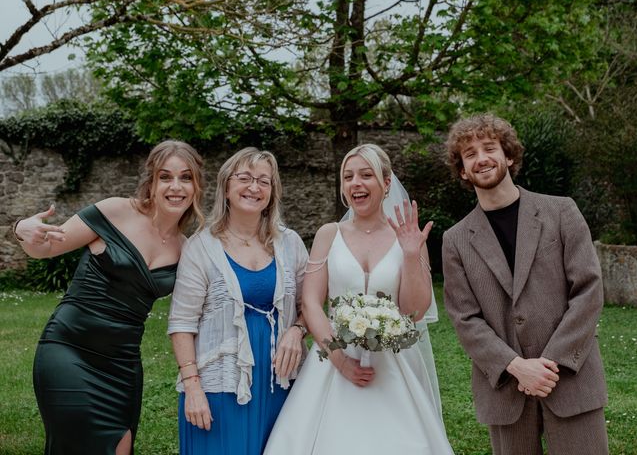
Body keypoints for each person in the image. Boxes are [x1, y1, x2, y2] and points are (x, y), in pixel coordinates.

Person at [13, 140, 205, 455]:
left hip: (122, 364)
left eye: (186, 178)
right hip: (69, 350)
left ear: (196, 186)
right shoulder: (115, 211)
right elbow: (45, 247)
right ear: (151, 182)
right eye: (165, 177)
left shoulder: (187, 248)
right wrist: (22, 229)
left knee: (119, 447)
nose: (176, 186)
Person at [264, 143, 454, 454]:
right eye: (348, 176)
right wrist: (339, 359)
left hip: (392, 364)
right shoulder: (329, 234)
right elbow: (311, 303)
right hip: (333, 359)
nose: (356, 183)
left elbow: (414, 311)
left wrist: (410, 255)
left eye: (366, 175)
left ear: (387, 183)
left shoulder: (408, 237)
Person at [442, 113, 608, 454]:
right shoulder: (456, 239)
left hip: (571, 380)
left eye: (489, 148)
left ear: (509, 156)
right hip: (505, 389)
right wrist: (516, 367)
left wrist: (549, 365)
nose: (481, 158)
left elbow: (588, 291)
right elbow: (465, 318)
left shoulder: (562, 212)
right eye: (469, 153)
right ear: (462, 170)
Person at [167, 147, 308, 455]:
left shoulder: (291, 243)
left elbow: (308, 305)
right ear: (227, 187)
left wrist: (297, 331)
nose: (254, 187)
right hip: (221, 385)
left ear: (272, 192)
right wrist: (192, 387)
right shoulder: (201, 248)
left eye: (263, 181)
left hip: (279, 383)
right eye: (244, 178)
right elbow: (181, 323)